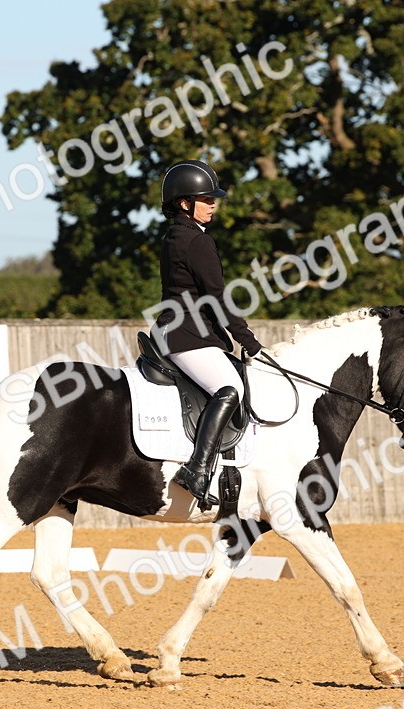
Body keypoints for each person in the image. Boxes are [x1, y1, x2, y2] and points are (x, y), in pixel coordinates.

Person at [153, 159, 265, 508]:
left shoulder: (174, 236)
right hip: (188, 337)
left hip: (175, 333)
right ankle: (197, 470)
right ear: (186, 203)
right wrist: (248, 341)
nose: (213, 203)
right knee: (229, 389)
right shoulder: (198, 242)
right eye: (206, 198)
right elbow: (218, 298)